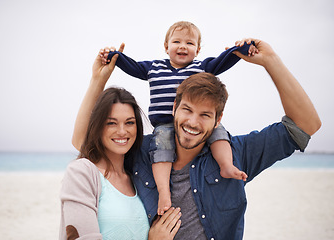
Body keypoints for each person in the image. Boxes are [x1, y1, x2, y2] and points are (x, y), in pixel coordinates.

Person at [73, 38, 321, 240]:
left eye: (205, 115)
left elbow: (305, 125)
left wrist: (270, 61)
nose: (192, 122)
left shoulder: (236, 154)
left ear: (218, 118)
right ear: (174, 108)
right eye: (187, 110)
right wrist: (98, 80)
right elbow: (85, 142)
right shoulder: (143, 152)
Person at [102, 21, 255, 215]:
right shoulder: (154, 67)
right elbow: (132, 66)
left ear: (198, 50)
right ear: (166, 47)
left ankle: (226, 166)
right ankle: (164, 192)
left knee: (219, 132)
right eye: (176, 41)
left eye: (190, 43)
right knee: (161, 150)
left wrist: (241, 48)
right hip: (165, 124)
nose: (183, 46)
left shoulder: (202, 67)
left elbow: (224, 60)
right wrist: (115, 56)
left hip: (197, 122)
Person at [59, 51, 181, 240]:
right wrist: (98, 80)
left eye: (130, 122)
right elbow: (80, 140)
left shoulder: (138, 174)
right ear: (98, 126)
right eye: (111, 123)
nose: (122, 131)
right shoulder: (83, 172)